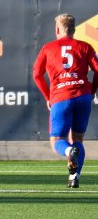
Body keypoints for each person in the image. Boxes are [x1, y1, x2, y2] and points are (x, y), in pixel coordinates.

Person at [32, 13, 98, 188]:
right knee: (78, 138)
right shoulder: (85, 47)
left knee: (57, 140)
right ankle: (74, 176)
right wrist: (92, 91)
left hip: (61, 97)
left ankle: (69, 151)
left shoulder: (48, 48)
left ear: (57, 29)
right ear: (74, 29)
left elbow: (36, 74)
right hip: (83, 96)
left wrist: (48, 96)